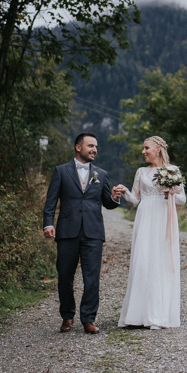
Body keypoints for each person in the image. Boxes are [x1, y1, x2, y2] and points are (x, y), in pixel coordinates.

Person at [43, 133, 123, 334]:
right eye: (90, 146)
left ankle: (88, 319)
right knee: (65, 276)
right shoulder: (61, 171)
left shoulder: (101, 174)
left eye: (96, 146)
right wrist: (48, 223)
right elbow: (51, 201)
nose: (94, 149)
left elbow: (108, 202)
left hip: (93, 232)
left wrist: (114, 197)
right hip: (67, 231)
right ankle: (67, 316)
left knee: (92, 277)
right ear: (78, 147)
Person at [113, 136, 186, 329]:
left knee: (159, 261)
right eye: (143, 148)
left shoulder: (172, 171)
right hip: (144, 218)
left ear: (158, 150)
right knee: (143, 260)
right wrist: (124, 192)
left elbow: (182, 199)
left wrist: (171, 192)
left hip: (163, 218)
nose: (143, 151)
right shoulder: (141, 171)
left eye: (146, 148)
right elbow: (135, 200)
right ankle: (137, 315)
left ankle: (157, 315)